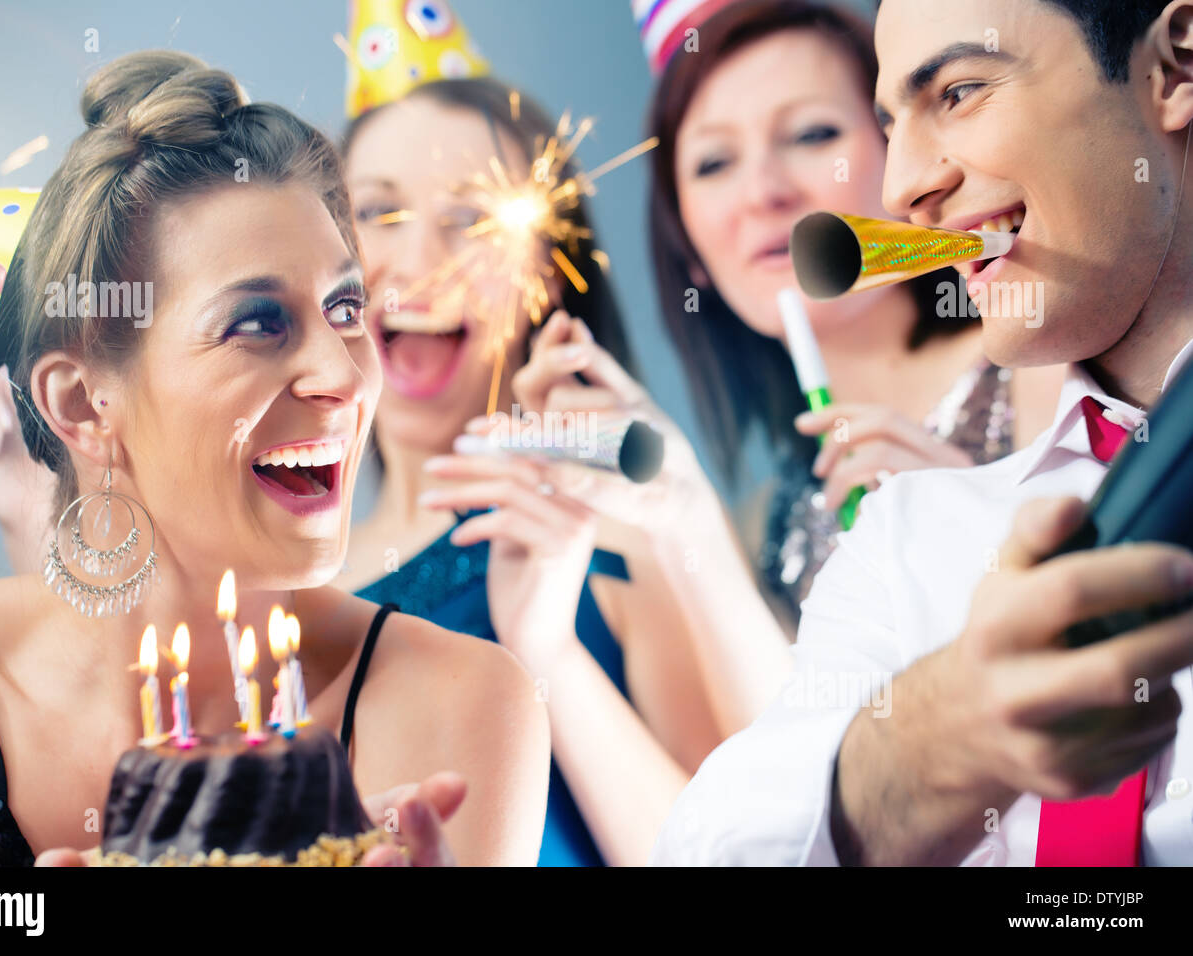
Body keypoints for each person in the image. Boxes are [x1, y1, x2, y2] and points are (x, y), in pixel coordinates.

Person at [0, 50, 549, 867]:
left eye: (346, 306)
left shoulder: (467, 702)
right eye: (258, 323)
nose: (346, 375)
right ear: (79, 404)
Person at [653, 0, 1193, 866]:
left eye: (961, 91)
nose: (905, 188)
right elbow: (712, 847)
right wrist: (941, 739)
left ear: (1173, 69)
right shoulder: (905, 541)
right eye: (891, 122)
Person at [505, 0, 1065, 736]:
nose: (762, 191)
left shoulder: (1048, 361)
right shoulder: (757, 532)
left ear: (906, 158)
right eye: (713, 163)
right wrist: (685, 518)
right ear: (690, 249)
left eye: (811, 135)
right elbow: (789, 797)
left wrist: (966, 532)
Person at [333, 0, 721, 866]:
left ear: (548, 274)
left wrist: (543, 649)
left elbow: (735, 851)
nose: (420, 259)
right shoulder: (282, 585)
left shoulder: (619, 531)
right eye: (379, 213)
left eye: (473, 220)